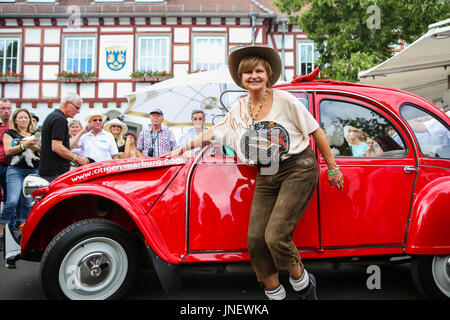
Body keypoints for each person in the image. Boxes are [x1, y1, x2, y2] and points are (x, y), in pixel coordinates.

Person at [165, 45, 344, 300]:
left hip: (297, 167)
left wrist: (333, 168)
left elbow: (316, 131)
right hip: (266, 170)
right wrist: (182, 148)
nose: (253, 76)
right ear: (241, 78)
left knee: (275, 236)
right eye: (247, 72)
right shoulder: (239, 108)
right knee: (255, 240)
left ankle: (304, 285)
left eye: (258, 70)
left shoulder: (285, 100)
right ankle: (275, 294)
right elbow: (213, 133)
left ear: (268, 74)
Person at [0, 109, 40, 239]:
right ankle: (1, 230)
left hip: (33, 170)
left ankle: (23, 233)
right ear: (15, 120)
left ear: (29, 119)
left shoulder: (35, 133)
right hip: (15, 170)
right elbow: (8, 151)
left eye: (26, 117)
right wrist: (24, 145)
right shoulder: (9, 133)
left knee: (27, 203)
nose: (23, 119)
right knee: (11, 201)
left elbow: (42, 153)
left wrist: (35, 147)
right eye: (20, 117)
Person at [39, 92, 90, 182]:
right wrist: (78, 159)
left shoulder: (54, 116)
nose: (78, 111)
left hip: (50, 171)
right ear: (67, 103)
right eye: (77, 108)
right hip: (55, 173)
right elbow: (57, 147)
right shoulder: (59, 119)